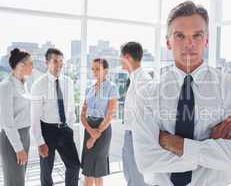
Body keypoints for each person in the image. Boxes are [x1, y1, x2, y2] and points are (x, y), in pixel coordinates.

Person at [132, 1, 231, 186]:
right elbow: (147, 160)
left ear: (206, 40)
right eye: (180, 36)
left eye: (197, 35)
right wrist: (210, 148)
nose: (189, 44)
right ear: (168, 42)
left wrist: (174, 143)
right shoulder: (147, 93)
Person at [31, 48, 80, 186]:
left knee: (74, 166)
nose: (59, 65)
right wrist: (40, 142)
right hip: (47, 131)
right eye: (55, 61)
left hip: (65, 130)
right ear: (47, 62)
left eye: (61, 61)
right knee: (46, 171)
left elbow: (70, 108)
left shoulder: (68, 82)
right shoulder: (39, 84)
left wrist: (69, 128)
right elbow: (34, 117)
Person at [80, 58, 118, 186]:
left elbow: (110, 115)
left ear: (105, 71)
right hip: (89, 128)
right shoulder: (89, 89)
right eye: (93, 68)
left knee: (97, 169)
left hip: (103, 130)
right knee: (88, 169)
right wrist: (91, 132)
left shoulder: (111, 88)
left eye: (98, 68)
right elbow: (82, 115)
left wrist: (97, 134)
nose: (94, 71)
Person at [120, 41, 152, 186]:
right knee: (130, 173)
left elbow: (148, 112)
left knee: (136, 177)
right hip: (130, 132)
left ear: (127, 57)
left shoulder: (143, 80)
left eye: (121, 57)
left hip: (136, 134)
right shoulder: (134, 78)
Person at [0, 48, 33, 186]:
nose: (33, 66)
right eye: (30, 63)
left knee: (20, 180)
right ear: (20, 65)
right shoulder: (6, 86)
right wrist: (19, 148)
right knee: (15, 182)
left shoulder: (23, 84)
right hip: (12, 139)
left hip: (25, 135)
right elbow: (7, 122)